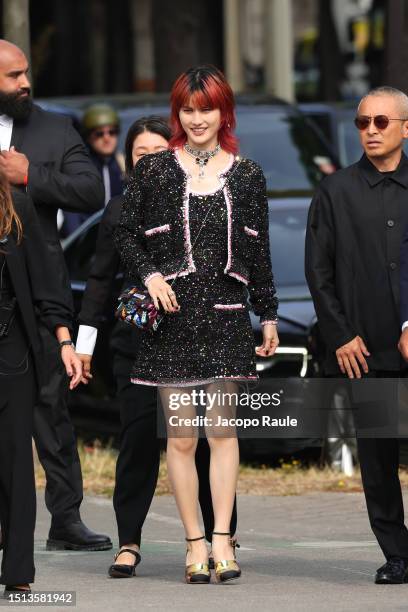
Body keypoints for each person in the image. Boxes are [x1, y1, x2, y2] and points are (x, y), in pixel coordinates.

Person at [115, 66, 279, 584]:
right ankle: (194, 545)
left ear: (223, 110)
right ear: (177, 114)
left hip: (229, 321)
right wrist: (150, 274)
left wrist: (268, 311)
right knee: (182, 437)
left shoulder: (248, 174)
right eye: (188, 108)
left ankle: (224, 539)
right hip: (174, 323)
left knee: (223, 432)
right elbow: (124, 232)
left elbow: (259, 250)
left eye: (206, 107)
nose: (197, 117)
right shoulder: (155, 169)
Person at [75, 115, 239, 578]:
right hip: (136, 347)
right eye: (139, 154)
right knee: (140, 441)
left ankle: (220, 537)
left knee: (209, 441)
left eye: (156, 153)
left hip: (198, 343)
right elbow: (98, 284)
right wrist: (84, 345)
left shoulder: (196, 200)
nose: (148, 161)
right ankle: (129, 542)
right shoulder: (119, 211)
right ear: (129, 161)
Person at [0, 39, 111, 551]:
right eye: (12, 76)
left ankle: (65, 520)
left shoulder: (51, 129)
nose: (24, 83)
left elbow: (90, 191)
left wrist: (31, 177)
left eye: (26, 73)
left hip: (40, 295)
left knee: (52, 411)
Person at [305, 86, 408, 585]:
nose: (370, 130)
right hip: (364, 352)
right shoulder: (334, 192)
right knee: (379, 460)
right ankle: (397, 554)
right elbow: (317, 271)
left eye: (382, 122)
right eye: (363, 123)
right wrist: (341, 334)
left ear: (405, 128)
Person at [0, 174, 82, 597]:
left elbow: (46, 281)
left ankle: (17, 570)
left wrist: (65, 341)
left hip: (11, 351)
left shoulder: (16, 205)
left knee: (15, 462)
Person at [62, 104, 125, 235]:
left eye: (112, 132)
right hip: (88, 242)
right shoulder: (79, 168)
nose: (107, 138)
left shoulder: (125, 166)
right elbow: (71, 214)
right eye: (99, 133)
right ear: (88, 137)